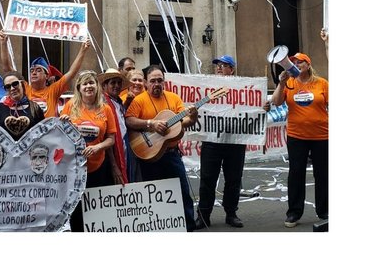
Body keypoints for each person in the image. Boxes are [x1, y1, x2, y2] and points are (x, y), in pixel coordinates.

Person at [195, 55, 269, 230]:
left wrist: (263, 107)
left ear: (232, 69)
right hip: (212, 140)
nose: (219, 68)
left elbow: (254, 106)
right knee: (207, 179)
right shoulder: (208, 87)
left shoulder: (243, 88)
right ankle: (203, 215)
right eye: (217, 65)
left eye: (224, 65)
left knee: (233, 179)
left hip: (235, 141)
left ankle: (231, 213)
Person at [125, 65, 199, 232]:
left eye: (160, 80)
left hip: (171, 154)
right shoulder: (139, 100)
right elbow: (129, 120)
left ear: (164, 82)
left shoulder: (173, 98)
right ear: (146, 83)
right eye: (153, 81)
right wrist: (151, 124)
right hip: (148, 155)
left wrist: (193, 116)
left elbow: (185, 121)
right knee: (152, 195)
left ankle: (188, 227)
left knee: (182, 192)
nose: (156, 84)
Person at [271, 52, 328, 228]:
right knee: (296, 174)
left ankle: (324, 211)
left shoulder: (322, 83)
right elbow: (276, 101)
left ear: (308, 65)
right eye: (293, 62)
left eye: (299, 62)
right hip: (297, 136)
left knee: (323, 174)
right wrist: (281, 83)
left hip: (322, 135)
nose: (296, 64)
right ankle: (294, 213)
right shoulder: (289, 83)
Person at [61, 70, 118, 232]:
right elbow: (60, 137)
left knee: (98, 209)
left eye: (91, 83)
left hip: (99, 167)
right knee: (77, 210)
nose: (88, 86)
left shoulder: (106, 109)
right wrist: (63, 123)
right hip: (76, 167)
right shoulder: (70, 106)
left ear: (97, 86)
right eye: (85, 83)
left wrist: (97, 147)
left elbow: (111, 139)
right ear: (79, 87)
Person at [0, 30, 90, 118]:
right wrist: (3, 43)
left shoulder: (53, 90)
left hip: (48, 132)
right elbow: (7, 68)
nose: (34, 73)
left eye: (38, 70)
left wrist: (83, 50)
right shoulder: (25, 88)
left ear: (47, 76)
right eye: (31, 70)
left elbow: (71, 73)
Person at [98, 68, 132, 184]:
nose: (116, 86)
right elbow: (107, 136)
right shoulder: (102, 104)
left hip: (124, 151)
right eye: (113, 83)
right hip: (109, 158)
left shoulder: (118, 102)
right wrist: (114, 166)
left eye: (119, 83)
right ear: (105, 85)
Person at [0, 71, 45, 140]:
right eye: (8, 86)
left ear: (22, 84)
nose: (12, 88)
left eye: (15, 84)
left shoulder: (35, 107)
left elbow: (43, 134)